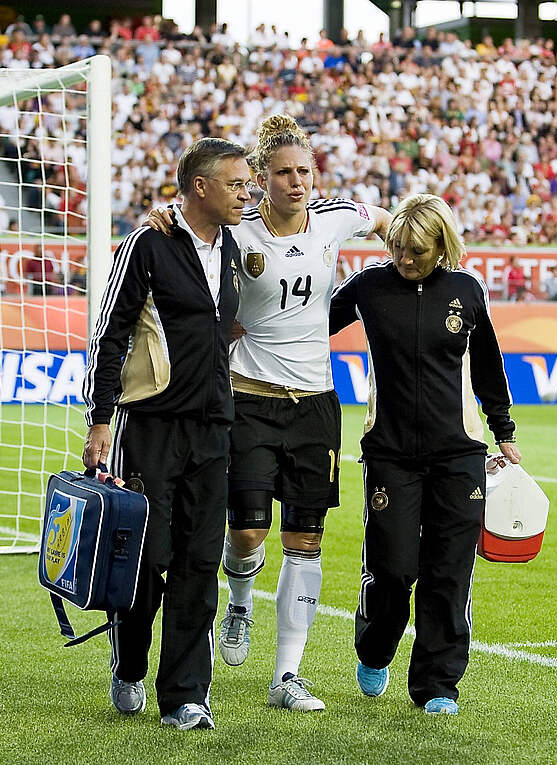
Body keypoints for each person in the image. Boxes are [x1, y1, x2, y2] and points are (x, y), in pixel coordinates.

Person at [146, 115, 392, 712]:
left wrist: (416, 254)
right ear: (260, 177)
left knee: (306, 538)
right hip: (250, 399)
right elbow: (189, 226)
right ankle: (239, 601)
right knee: (248, 532)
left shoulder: (336, 217)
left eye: (304, 170)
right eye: (283, 173)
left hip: (316, 403)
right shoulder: (240, 229)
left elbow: (388, 220)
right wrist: (162, 216)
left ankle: (287, 675)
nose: (296, 182)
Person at [80, 137, 249, 732]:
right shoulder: (146, 244)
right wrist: (101, 419)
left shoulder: (237, 243)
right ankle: (129, 664)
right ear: (200, 187)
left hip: (213, 428)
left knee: (200, 564)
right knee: (146, 563)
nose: (247, 194)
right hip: (149, 427)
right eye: (236, 184)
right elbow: (110, 333)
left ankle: (185, 696)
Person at [329, 194, 521, 716]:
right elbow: (309, 323)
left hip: (459, 453)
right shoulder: (369, 285)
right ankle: (375, 648)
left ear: (442, 247)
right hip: (389, 453)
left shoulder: (467, 290)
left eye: (416, 251)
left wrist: (503, 429)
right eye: (397, 248)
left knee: (449, 572)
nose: (404, 259)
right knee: (392, 569)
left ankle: (437, 684)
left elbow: (489, 365)